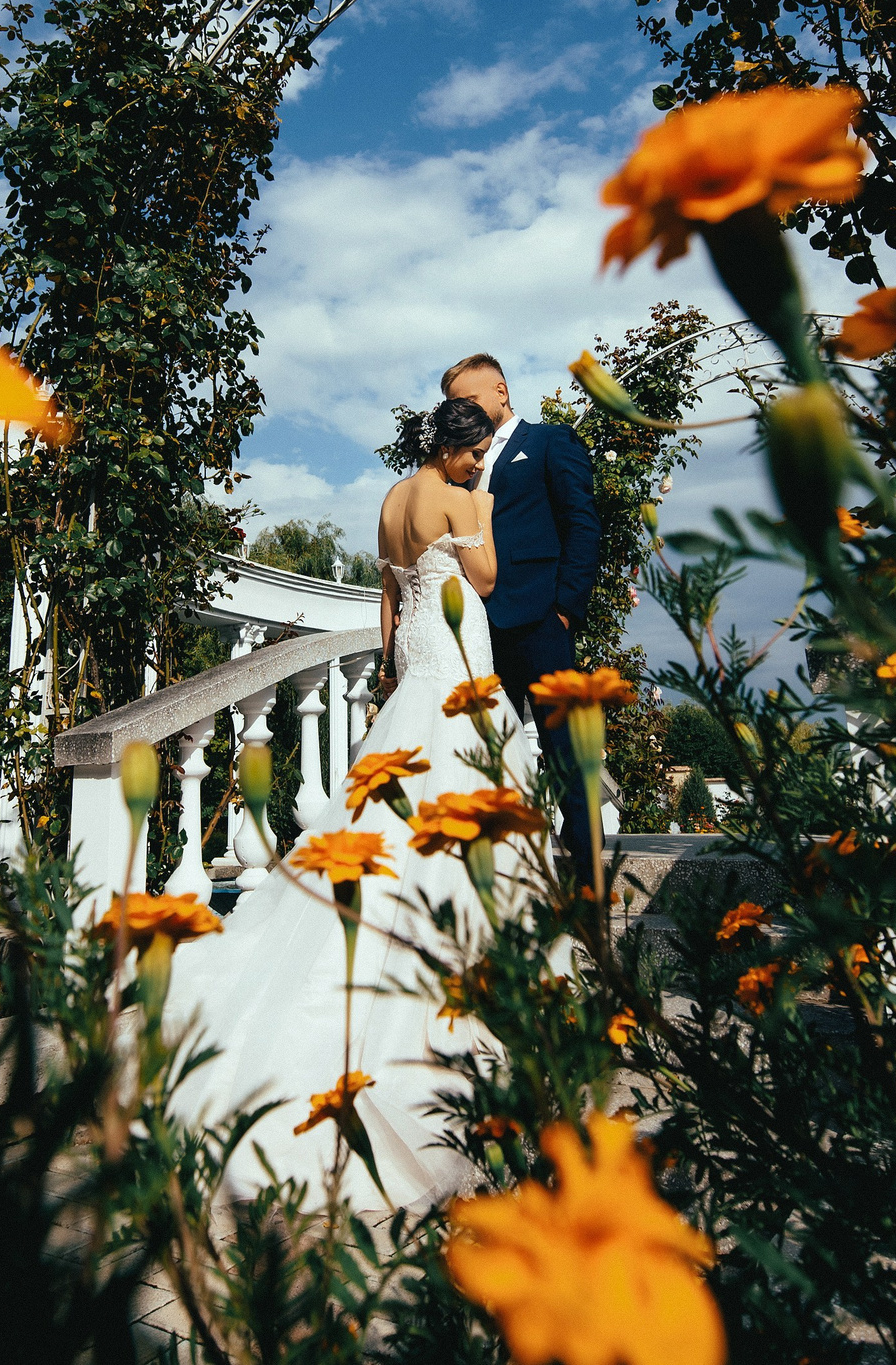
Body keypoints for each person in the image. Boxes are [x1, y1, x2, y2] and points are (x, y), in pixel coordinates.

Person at [160, 395, 539, 1212]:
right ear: (456, 449)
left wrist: (398, 667)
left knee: (382, 817)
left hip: (418, 665)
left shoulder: (391, 499)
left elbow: (388, 598)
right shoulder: (459, 494)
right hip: (458, 666)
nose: (482, 466)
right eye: (477, 455)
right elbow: (488, 579)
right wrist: (483, 510)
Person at [441, 353, 602, 885]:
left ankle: (586, 880)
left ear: (500, 391)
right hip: (480, 631)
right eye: (452, 404)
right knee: (489, 755)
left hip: (541, 623)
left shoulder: (552, 442)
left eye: (466, 400)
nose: (457, 410)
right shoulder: (459, 464)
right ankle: (508, 878)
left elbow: (582, 522)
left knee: (565, 756)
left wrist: (564, 609)